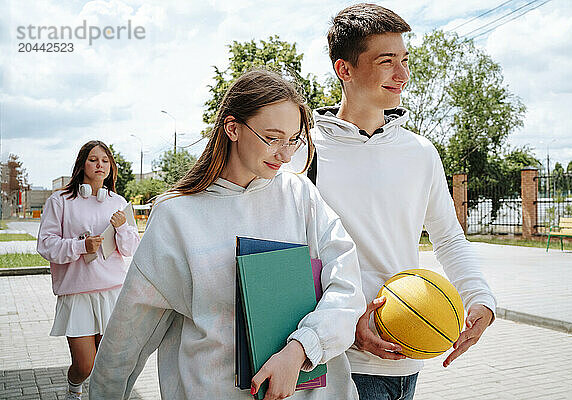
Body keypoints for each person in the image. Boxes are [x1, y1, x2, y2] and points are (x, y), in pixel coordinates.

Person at [89, 70, 366, 400]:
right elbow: (126, 339)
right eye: (272, 138)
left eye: (293, 139)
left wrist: (302, 348)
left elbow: (346, 285)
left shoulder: (300, 194)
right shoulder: (176, 216)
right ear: (232, 127)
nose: (286, 154)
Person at [290, 4, 498, 400]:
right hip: (339, 363)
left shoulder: (420, 151)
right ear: (344, 70)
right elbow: (286, 256)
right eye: (387, 62)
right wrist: (342, 325)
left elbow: (449, 239)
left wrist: (480, 298)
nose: (402, 75)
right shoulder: (303, 154)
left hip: (412, 356)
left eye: (405, 60)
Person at [37, 140, 141, 400]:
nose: (100, 165)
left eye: (105, 161)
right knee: (85, 365)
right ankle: (74, 389)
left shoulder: (118, 202)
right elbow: (46, 245)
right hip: (77, 294)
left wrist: (121, 228)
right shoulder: (59, 201)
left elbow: (131, 249)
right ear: (82, 163)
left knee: (109, 365)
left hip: (112, 293)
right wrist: (81, 245)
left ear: (111, 167)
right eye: (94, 159)